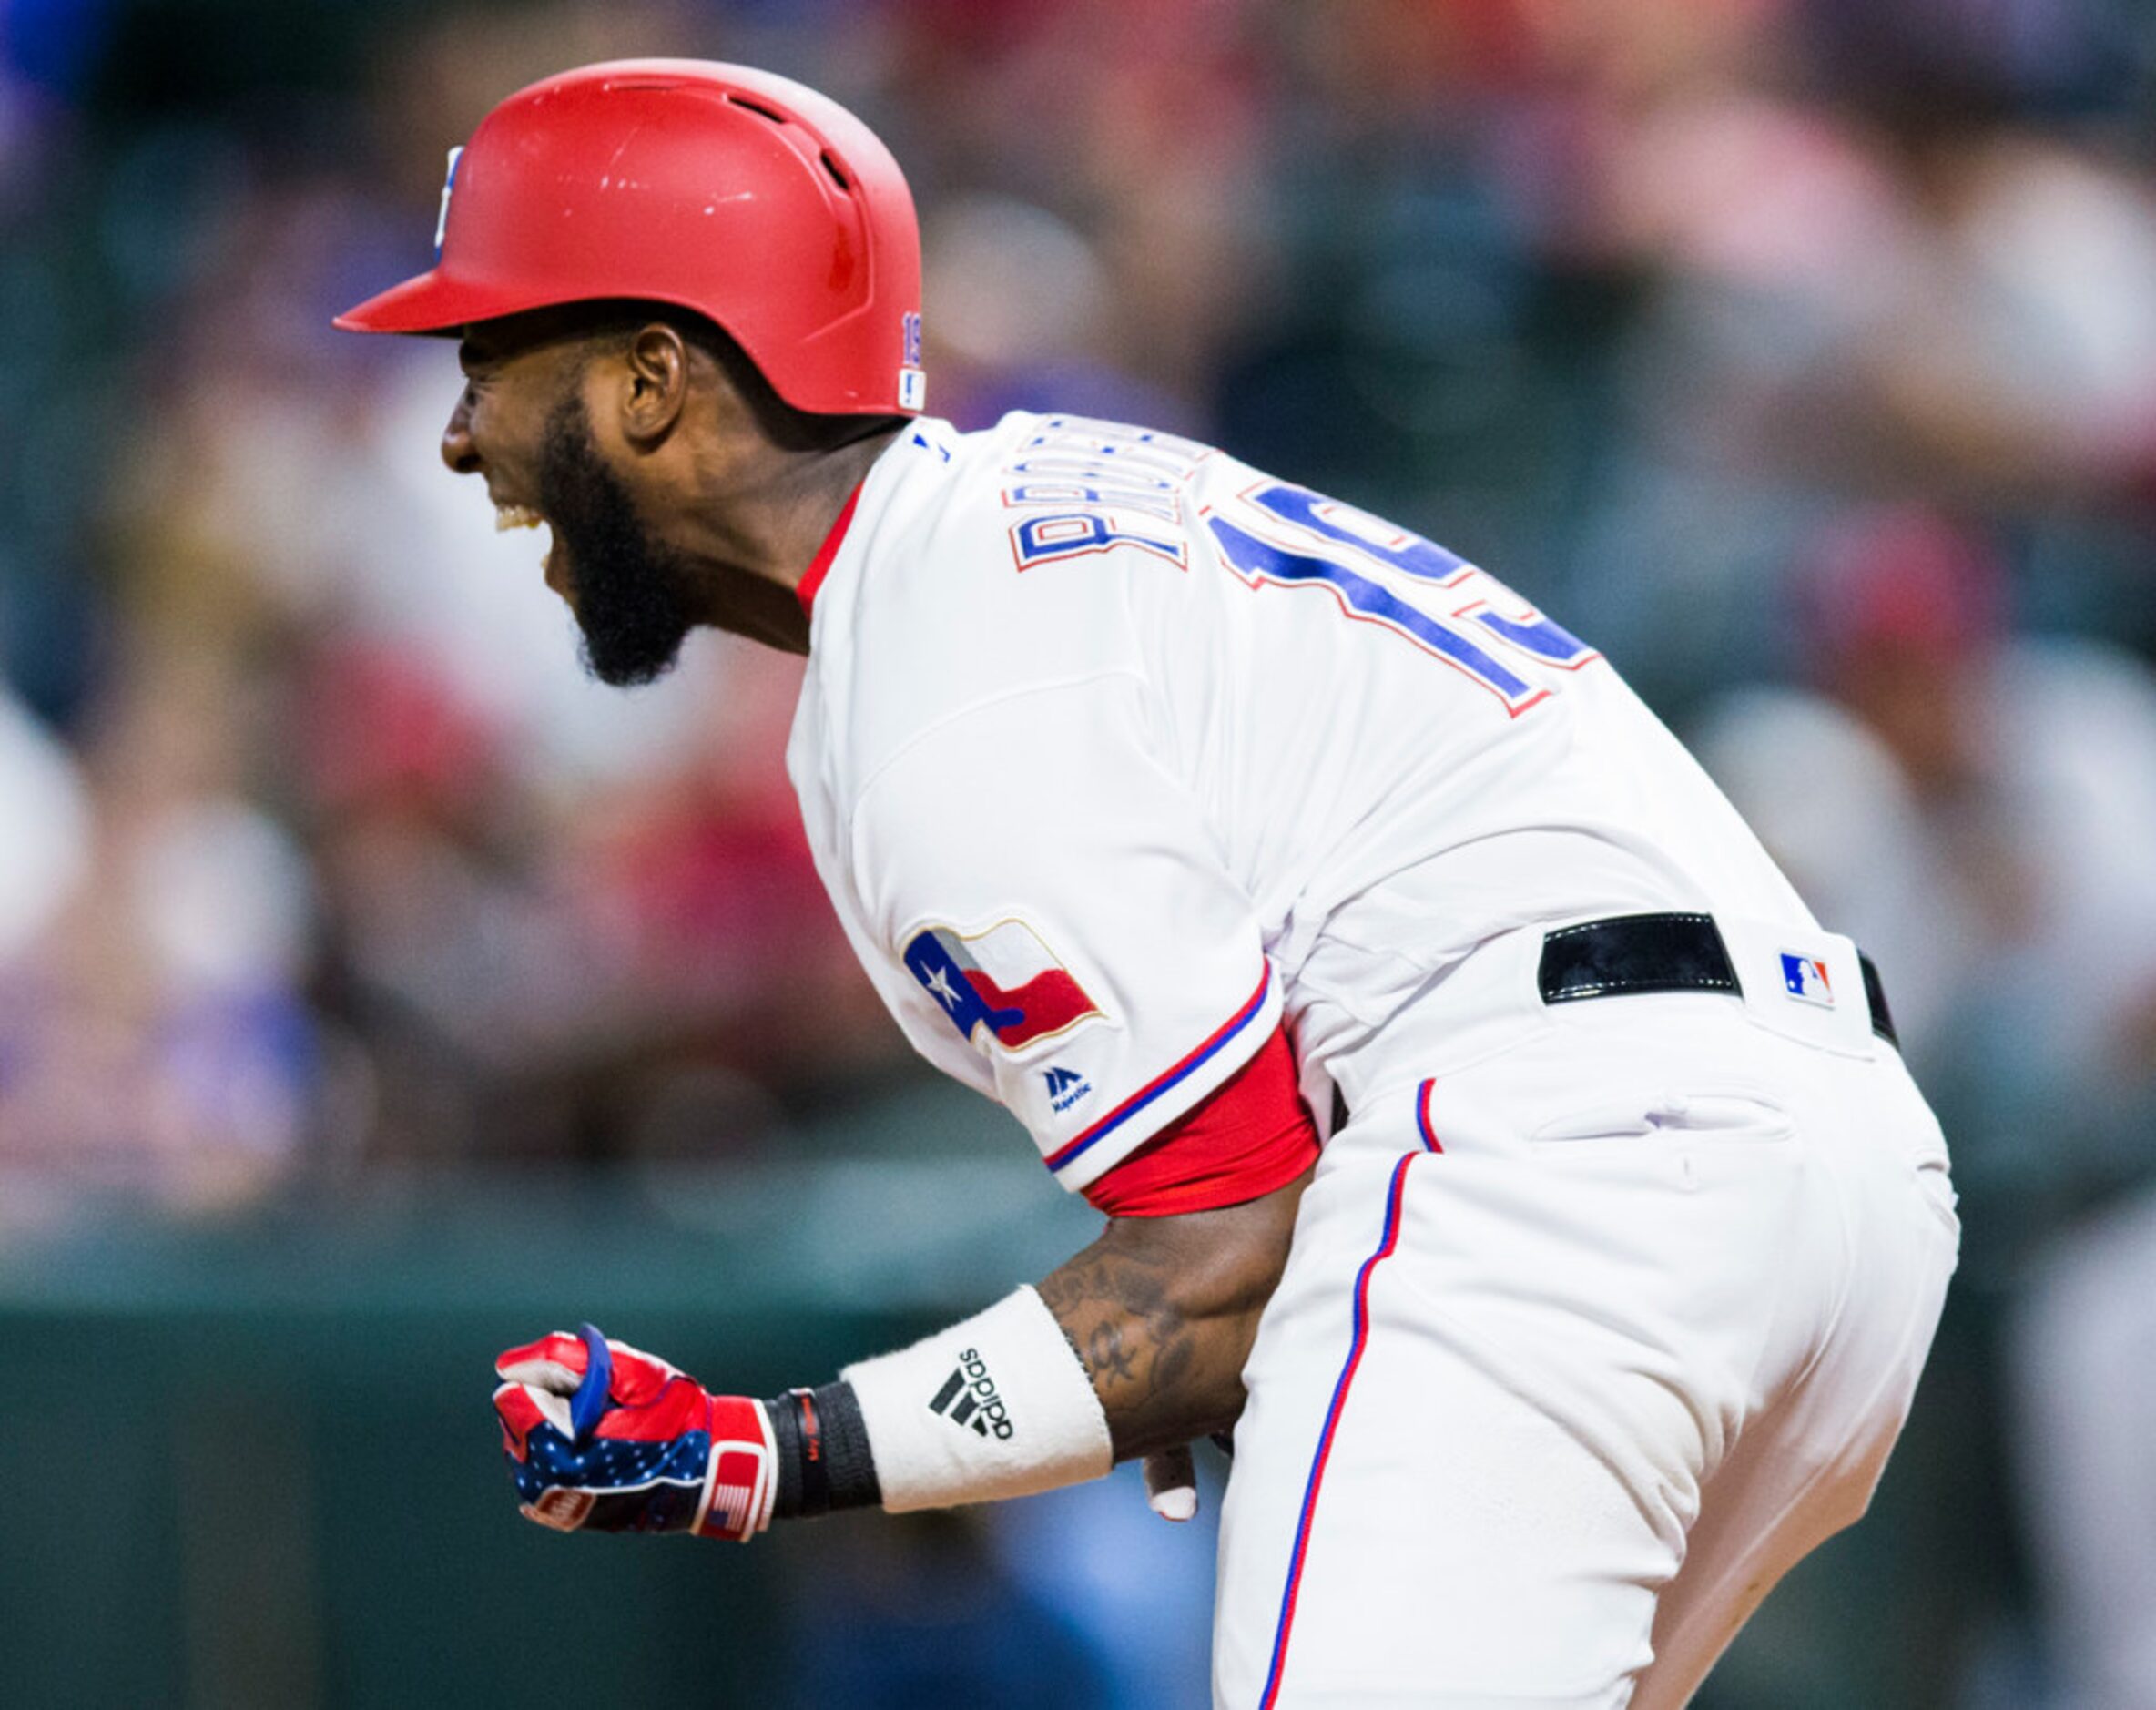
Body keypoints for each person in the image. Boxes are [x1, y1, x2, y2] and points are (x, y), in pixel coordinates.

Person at [338, 60, 1958, 1707]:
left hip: (1568, 1166)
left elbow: (1216, 1265)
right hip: (1830, 1162)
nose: (464, 436)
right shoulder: (1024, 520)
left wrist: (766, 1449)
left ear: (654, 377)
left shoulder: (936, 688)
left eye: (490, 360)